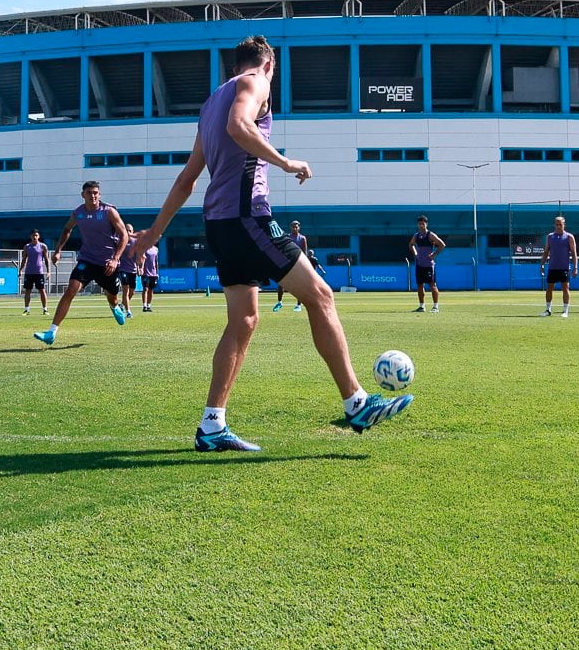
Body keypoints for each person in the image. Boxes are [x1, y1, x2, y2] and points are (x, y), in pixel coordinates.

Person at [127, 35, 413, 452]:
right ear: (269, 65)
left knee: (243, 320)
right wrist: (284, 161)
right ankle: (357, 402)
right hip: (247, 217)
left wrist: (155, 231)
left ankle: (211, 425)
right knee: (320, 295)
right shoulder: (254, 83)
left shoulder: (210, 103)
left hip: (219, 223)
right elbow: (239, 126)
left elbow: (188, 178)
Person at [34, 182, 130, 342]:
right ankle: (51, 332)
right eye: (89, 193)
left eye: (95, 193)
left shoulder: (109, 212)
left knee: (112, 296)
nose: (93, 195)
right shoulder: (78, 213)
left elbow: (124, 236)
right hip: (87, 259)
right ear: (82, 195)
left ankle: (114, 306)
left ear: (99, 194)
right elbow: (67, 229)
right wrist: (58, 250)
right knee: (71, 290)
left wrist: (115, 259)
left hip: (108, 263)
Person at [274, 222, 318, 311]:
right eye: (293, 227)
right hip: (286, 263)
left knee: (300, 285)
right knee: (280, 283)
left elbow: (304, 252)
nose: (294, 228)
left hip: (298, 264)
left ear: (299, 228)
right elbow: (283, 249)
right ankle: (279, 302)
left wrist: (304, 264)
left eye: (296, 227)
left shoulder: (302, 238)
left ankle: (298, 305)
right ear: (290, 227)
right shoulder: (287, 237)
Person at [541, 215, 576, 318]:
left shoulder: (569, 237)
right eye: (557, 224)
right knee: (549, 288)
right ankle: (548, 310)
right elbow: (546, 251)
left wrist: (575, 267)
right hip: (552, 267)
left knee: (565, 288)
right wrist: (542, 264)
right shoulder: (550, 237)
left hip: (564, 267)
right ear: (554, 225)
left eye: (560, 224)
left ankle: (565, 311)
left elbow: (574, 253)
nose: (558, 226)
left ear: (564, 225)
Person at [409, 217, 446, 312]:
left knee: (432, 285)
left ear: (426, 224)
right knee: (420, 285)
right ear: (417, 224)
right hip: (419, 264)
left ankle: (436, 307)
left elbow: (442, 244)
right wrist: (415, 254)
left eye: (423, 224)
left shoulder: (430, 235)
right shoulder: (416, 236)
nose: (421, 225)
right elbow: (411, 245)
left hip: (429, 265)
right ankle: (422, 306)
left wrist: (434, 254)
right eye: (420, 224)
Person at [19, 229, 50, 315]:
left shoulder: (43, 246)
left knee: (42, 291)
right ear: (30, 236)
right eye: (33, 235)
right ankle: (26, 310)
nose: (35, 237)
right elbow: (24, 259)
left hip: (39, 273)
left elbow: (47, 260)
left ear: (39, 236)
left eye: (36, 235)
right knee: (28, 291)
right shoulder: (27, 246)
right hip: (29, 272)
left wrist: (48, 271)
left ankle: (45, 309)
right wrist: (20, 270)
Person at [116, 234, 142, 315]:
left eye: (130, 230)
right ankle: (128, 312)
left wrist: (139, 268)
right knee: (126, 291)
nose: (128, 232)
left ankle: (122, 305)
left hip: (133, 271)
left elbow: (139, 256)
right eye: (126, 230)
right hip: (123, 269)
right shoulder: (120, 242)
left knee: (131, 292)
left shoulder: (136, 243)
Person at [140, 242, 161, 312]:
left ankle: (149, 306)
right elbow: (141, 259)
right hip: (145, 273)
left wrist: (157, 273)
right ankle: (144, 306)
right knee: (145, 289)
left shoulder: (156, 249)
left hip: (153, 273)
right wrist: (141, 268)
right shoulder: (144, 248)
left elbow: (156, 261)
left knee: (151, 290)